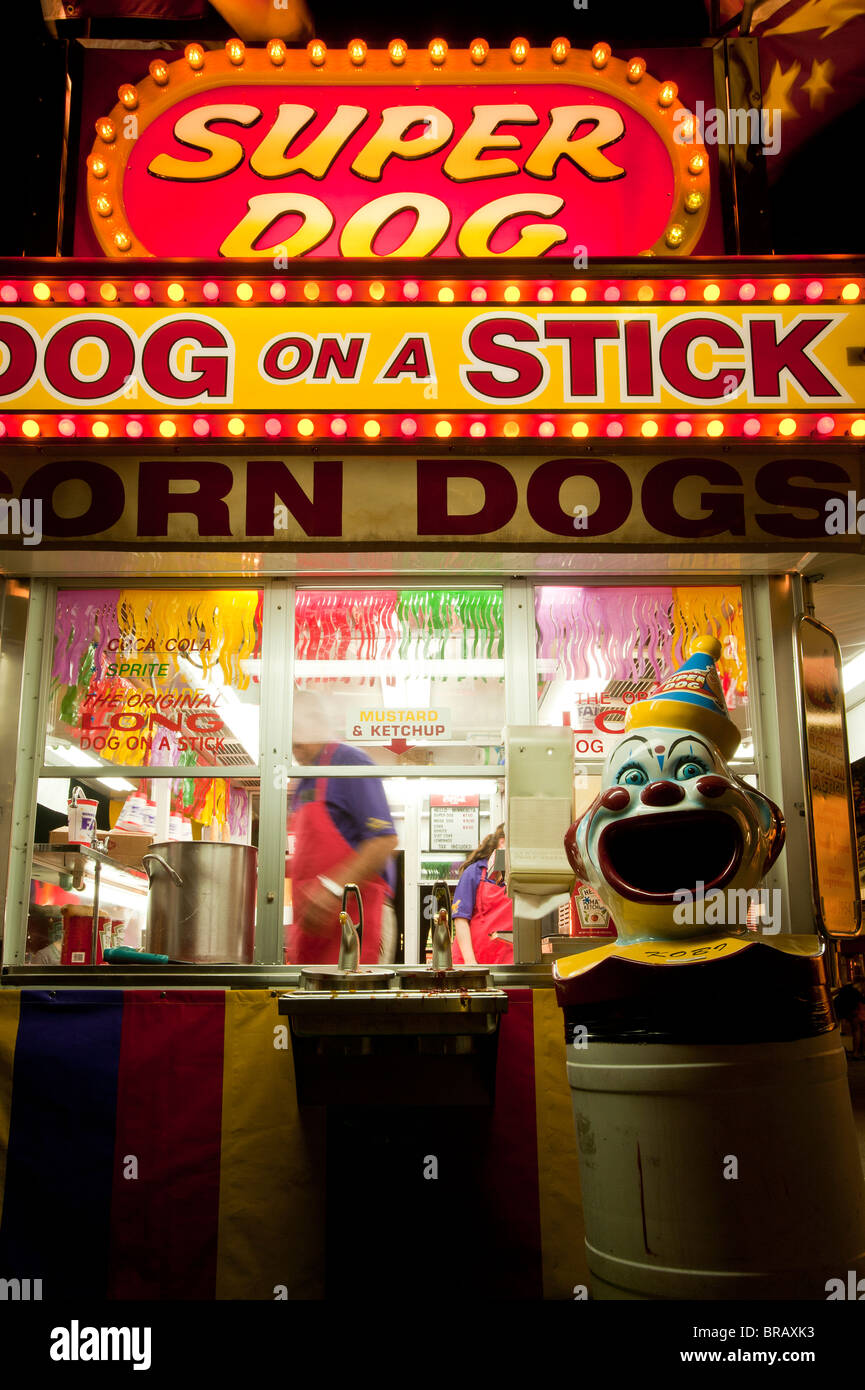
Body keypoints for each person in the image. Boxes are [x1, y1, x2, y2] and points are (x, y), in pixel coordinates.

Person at [286, 692, 398, 965]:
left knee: (356, 1004)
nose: (294, 746)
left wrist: (331, 890)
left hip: (357, 916)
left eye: (296, 733)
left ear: (316, 722)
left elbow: (384, 841)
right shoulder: (302, 782)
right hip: (314, 925)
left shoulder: (350, 762)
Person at [451, 824, 513, 966]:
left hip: (506, 962)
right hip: (472, 961)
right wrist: (470, 963)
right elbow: (460, 919)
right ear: (502, 842)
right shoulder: (474, 872)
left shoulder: (517, 876)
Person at [835, 977, 865, 1060]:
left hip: (849, 1011)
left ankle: (856, 1052)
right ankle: (859, 1052)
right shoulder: (859, 992)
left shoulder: (848, 988)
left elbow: (838, 993)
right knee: (860, 1032)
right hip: (856, 1012)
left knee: (856, 1031)